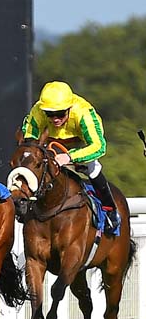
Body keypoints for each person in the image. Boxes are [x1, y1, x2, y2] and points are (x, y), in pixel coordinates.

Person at [22, 81, 119, 234]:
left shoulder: (84, 113)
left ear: (69, 108)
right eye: (50, 114)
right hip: (51, 143)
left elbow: (99, 146)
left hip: (79, 146)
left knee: (92, 169)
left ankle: (110, 210)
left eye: (60, 113)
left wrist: (69, 157)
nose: (54, 119)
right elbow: (29, 138)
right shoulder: (38, 110)